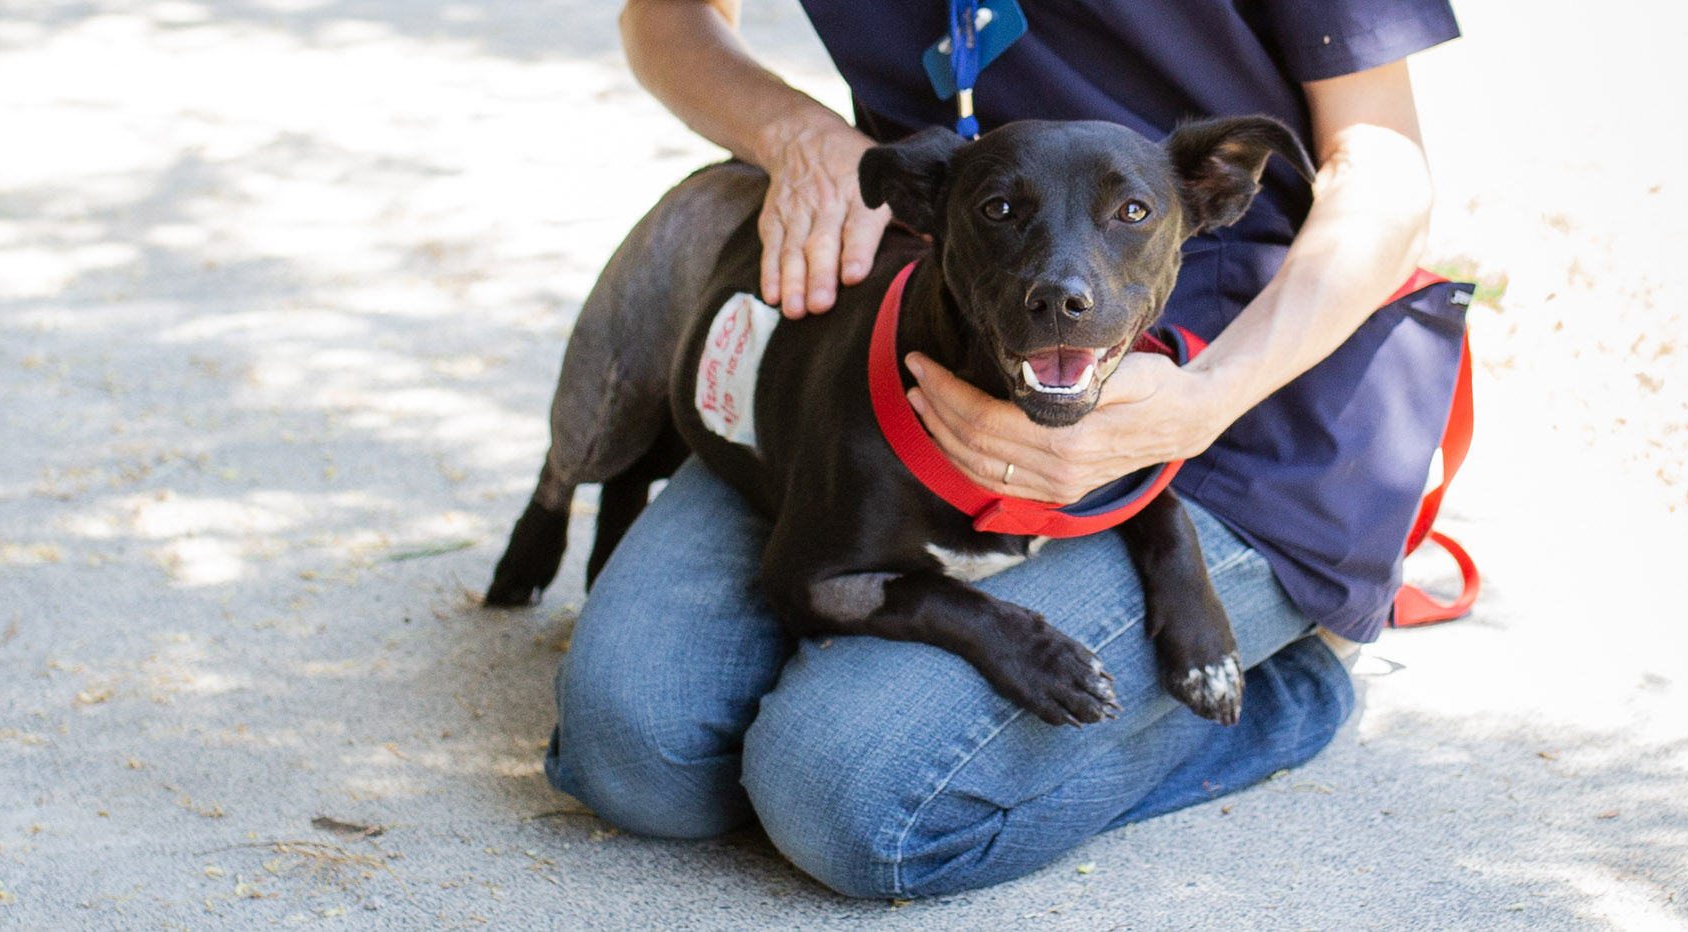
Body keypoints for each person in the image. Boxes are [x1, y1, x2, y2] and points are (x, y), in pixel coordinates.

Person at [546, 0, 1469, 899]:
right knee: (637, 756)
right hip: (909, 350)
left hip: (1246, 380)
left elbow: (1384, 166)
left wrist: (1203, 402)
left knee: (847, 800)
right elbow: (665, 15)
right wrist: (795, 132)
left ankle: (1282, 692)